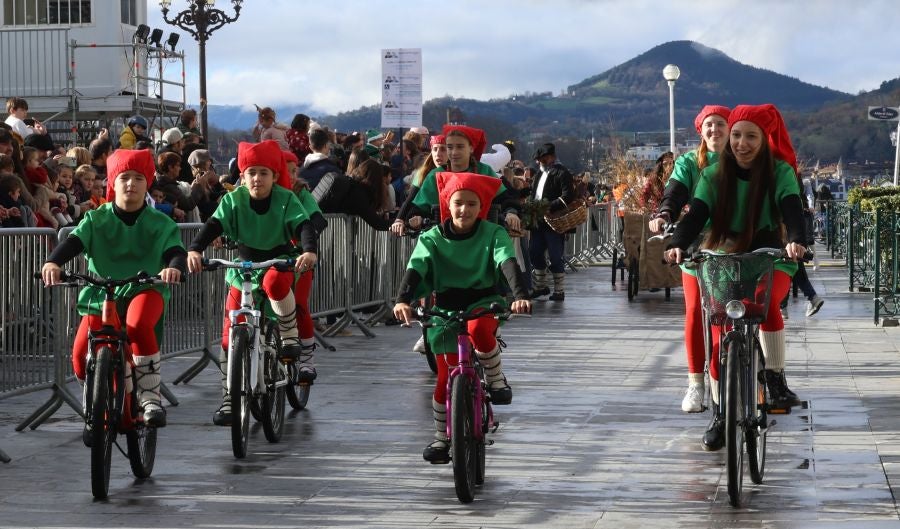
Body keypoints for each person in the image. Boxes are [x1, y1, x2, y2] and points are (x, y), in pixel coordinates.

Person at [664, 103, 806, 451]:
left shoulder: (779, 172)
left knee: (768, 303)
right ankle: (719, 413)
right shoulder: (714, 175)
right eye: (737, 135)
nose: (741, 143)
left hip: (769, 256)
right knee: (716, 332)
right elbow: (696, 215)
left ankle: (774, 377)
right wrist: (677, 243)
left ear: (764, 139)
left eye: (751, 136)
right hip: (724, 255)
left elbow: (792, 207)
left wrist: (796, 240)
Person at [40, 149, 186, 427]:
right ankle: (95, 400)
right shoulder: (97, 218)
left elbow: (175, 250)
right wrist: (52, 263)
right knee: (80, 356)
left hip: (145, 289)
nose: (131, 184)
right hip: (102, 292)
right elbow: (73, 243)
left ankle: (150, 396)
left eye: (138, 178)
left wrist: (174, 267)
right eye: (124, 178)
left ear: (148, 184)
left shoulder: (160, 222)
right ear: (113, 183)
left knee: (139, 325)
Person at [392, 172, 531, 463]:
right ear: (447, 204)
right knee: (444, 379)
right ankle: (442, 439)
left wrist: (519, 296)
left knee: (481, 330)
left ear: (481, 208)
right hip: (444, 308)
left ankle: (495, 379)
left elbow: (506, 260)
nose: (464, 210)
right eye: (458, 203)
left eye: (471, 204)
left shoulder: (493, 233)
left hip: (483, 300)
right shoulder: (432, 237)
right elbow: (416, 266)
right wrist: (402, 300)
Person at [187, 140, 321, 425]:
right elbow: (214, 224)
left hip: (279, 262)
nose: (257, 178)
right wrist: (195, 249)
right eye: (251, 173)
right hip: (243, 268)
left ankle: (289, 335)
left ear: (274, 175)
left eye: (263, 173)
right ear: (243, 176)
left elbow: (304, 225)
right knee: (228, 335)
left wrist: (309, 249)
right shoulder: (233, 199)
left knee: (275, 284)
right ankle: (228, 398)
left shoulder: (286, 198)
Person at [648, 105, 731, 415]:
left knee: (724, 314)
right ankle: (696, 383)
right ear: (701, 130)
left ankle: (721, 378)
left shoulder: (740, 160)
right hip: (694, 240)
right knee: (696, 311)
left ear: (729, 128)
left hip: (732, 242)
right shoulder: (689, 162)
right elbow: (676, 190)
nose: (715, 130)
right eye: (709, 125)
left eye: (721, 124)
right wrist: (665, 212)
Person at [407, 124, 522, 233]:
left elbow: (505, 199)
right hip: (443, 239)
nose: (454, 152)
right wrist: (416, 218)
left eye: (460, 147)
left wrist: (511, 213)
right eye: (450, 147)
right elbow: (418, 208)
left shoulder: (484, 171)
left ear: (471, 148)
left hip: (481, 238)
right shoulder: (435, 175)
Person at [528, 142, 576, 301]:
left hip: (554, 220)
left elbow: (568, 196)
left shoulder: (562, 173)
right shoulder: (539, 175)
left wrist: (550, 206)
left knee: (555, 255)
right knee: (534, 252)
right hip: (538, 220)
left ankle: (559, 290)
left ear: (550, 157)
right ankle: (540, 287)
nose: (538, 162)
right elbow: (534, 194)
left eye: (541, 159)